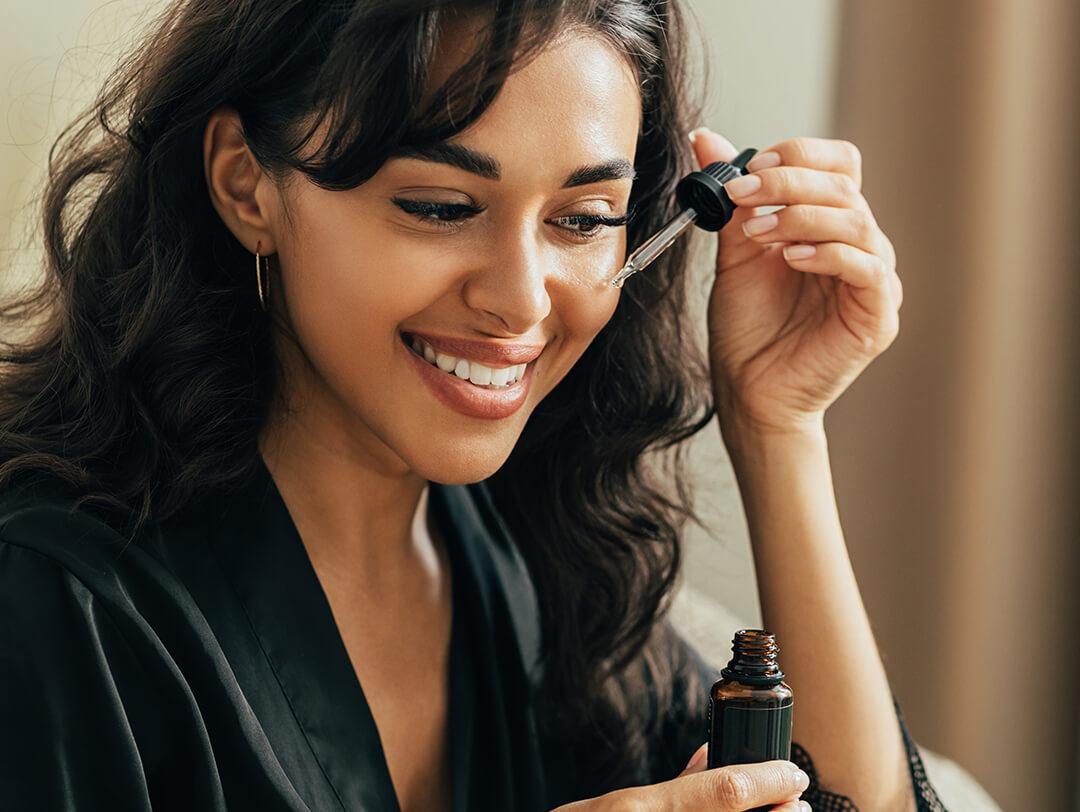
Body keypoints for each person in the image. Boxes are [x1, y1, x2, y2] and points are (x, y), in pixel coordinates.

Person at [0, 0, 945, 810]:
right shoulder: (51, 607)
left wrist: (778, 427)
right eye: (443, 208)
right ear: (246, 182)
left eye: (581, 221)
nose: (525, 301)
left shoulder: (537, 561)